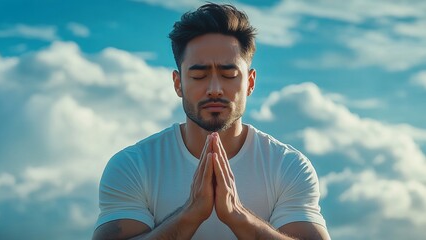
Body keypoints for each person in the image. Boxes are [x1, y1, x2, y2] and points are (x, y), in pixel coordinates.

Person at [93, 3, 330, 240]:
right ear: (178, 83)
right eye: (199, 75)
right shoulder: (133, 166)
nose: (215, 89)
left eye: (229, 75)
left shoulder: (288, 167)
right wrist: (190, 214)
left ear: (250, 82)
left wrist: (239, 217)